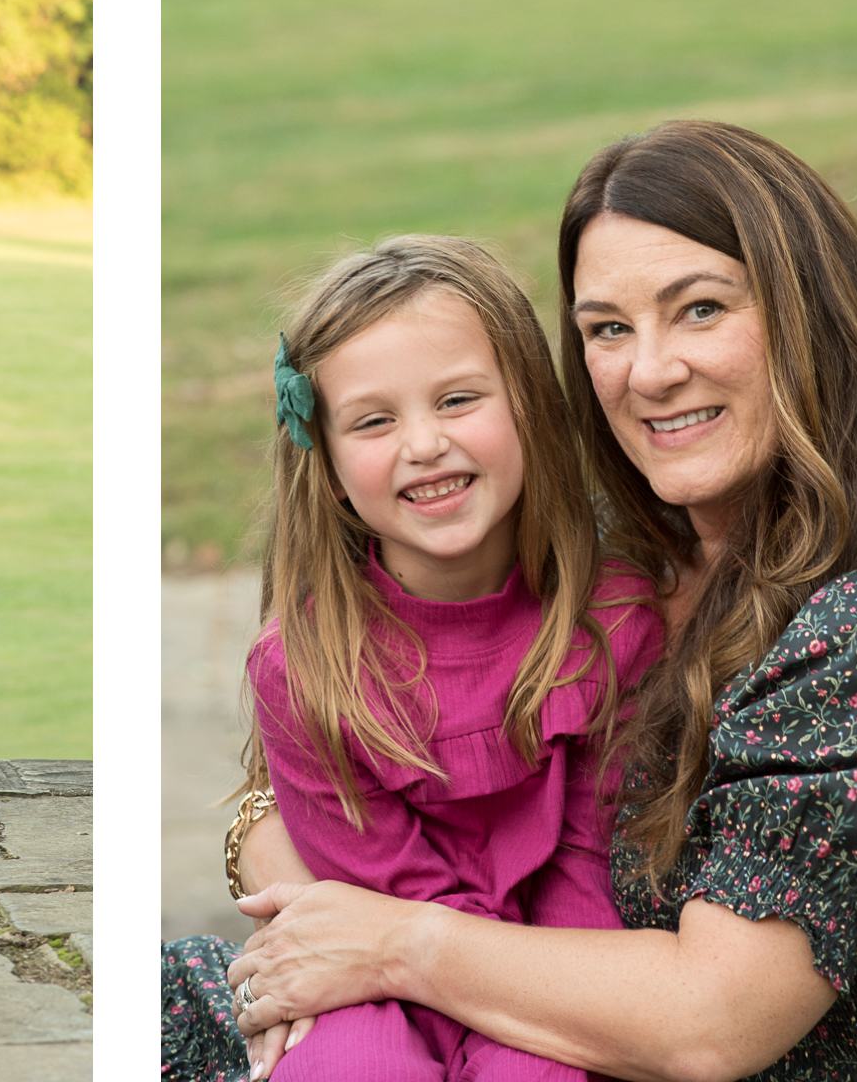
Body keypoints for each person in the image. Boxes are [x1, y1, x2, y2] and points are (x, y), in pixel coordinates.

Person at [168, 121, 857, 1081]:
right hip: (468, 1024)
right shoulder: (648, 569)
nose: (648, 371)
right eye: (608, 329)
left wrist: (383, 942)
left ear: (811, 317)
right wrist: (289, 889)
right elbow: (327, 764)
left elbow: (712, 1022)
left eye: (700, 310)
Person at [234, 235, 663, 1082]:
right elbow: (378, 897)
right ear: (322, 459)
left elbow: (588, 868)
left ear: (530, 407)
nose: (423, 444)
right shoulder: (303, 667)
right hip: (370, 964)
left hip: (561, 962)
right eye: (374, 420)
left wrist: (508, 1038)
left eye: (458, 399)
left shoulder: (615, 621)